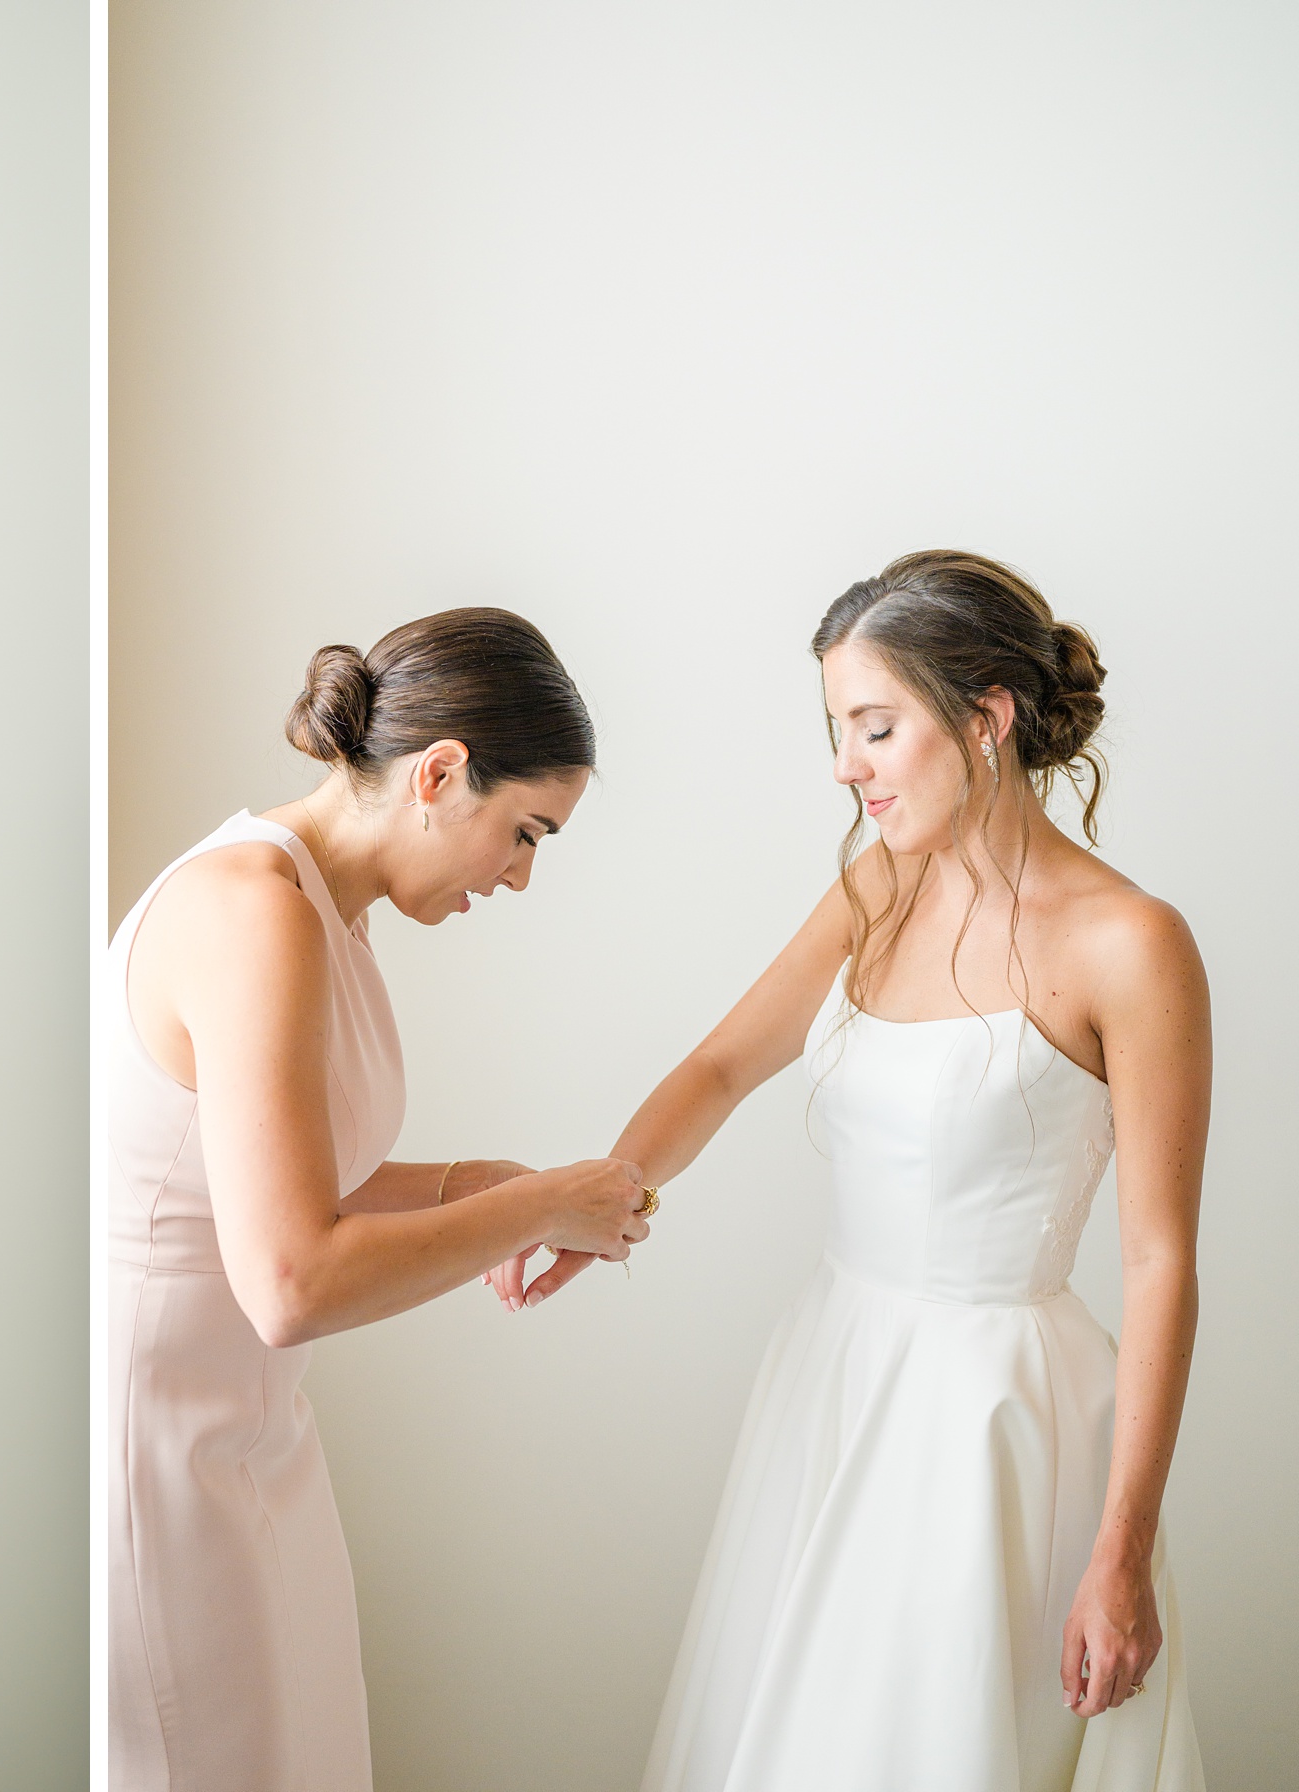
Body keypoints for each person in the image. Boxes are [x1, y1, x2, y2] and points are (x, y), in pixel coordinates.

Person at [503, 552, 1205, 1790]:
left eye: (875, 727)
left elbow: (1161, 1261)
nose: (846, 766)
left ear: (985, 718)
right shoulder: (877, 885)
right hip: (833, 1371)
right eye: (838, 731)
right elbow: (723, 1063)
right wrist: (599, 1202)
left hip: (997, 1419)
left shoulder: (1131, 943)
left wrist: (1124, 1548)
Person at [108, 608, 652, 1789]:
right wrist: (541, 1206)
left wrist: (479, 1185)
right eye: (524, 832)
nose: (518, 875)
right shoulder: (253, 907)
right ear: (441, 772)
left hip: (249, 1439)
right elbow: (292, 1280)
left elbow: (283, 1177)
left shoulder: (321, 907)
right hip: (161, 1459)